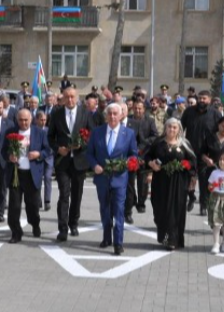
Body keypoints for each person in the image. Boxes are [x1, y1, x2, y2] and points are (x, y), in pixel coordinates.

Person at [87, 103, 137, 255]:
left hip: (119, 178)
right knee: (105, 209)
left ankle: (118, 242)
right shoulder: (97, 132)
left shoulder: (128, 133)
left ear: (121, 115)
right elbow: (89, 153)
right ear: (106, 115)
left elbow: (133, 154)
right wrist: (94, 165)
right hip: (102, 178)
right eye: (110, 113)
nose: (112, 116)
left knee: (119, 211)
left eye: (116, 113)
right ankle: (106, 237)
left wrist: (126, 163)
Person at [48, 86, 94, 242]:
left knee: (77, 195)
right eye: (67, 97)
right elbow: (50, 137)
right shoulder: (56, 114)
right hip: (63, 162)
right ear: (63, 98)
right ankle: (62, 228)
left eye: (72, 96)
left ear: (77, 97)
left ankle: (74, 223)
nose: (70, 99)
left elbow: (91, 135)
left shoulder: (85, 114)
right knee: (64, 194)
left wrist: (82, 145)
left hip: (80, 161)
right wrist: (57, 149)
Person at [146, 118, 196, 250]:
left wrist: (186, 165)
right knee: (160, 210)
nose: (172, 130)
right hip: (160, 181)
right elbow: (147, 156)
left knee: (175, 210)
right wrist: (151, 164)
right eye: (169, 127)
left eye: (174, 127)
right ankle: (164, 237)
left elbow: (192, 161)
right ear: (165, 128)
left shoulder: (184, 144)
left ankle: (173, 240)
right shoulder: (158, 143)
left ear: (179, 129)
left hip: (178, 182)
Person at [4, 108, 52, 243]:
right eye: (20, 120)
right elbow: (3, 151)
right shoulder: (10, 132)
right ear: (17, 120)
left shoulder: (39, 132)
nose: (23, 123)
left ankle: (35, 223)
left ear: (31, 119)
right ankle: (16, 232)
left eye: (26, 120)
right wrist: (9, 156)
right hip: (16, 174)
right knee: (14, 206)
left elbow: (48, 150)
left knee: (33, 206)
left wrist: (38, 155)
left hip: (32, 175)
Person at [181, 90, 223, 215]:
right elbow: (181, 128)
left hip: (207, 154)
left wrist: (217, 151)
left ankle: (203, 205)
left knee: (205, 181)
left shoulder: (215, 114)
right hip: (190, 151)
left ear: (209, 100)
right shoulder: (189, 112)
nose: (201, 101)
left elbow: (219, 133)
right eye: (200, 98)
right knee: (189, 177)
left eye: (204, 98)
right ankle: (191, 196)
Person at [34, 111, 53, 211]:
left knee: (48, 178)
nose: (43, 122)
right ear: (36, 120)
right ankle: (38, 200)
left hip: (49, 158)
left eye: (45, 120)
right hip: (37, 159)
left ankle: (47, 201)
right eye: (41, 120)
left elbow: (52, 143)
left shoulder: (49, 130)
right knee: (37, 180)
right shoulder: (33, 130)